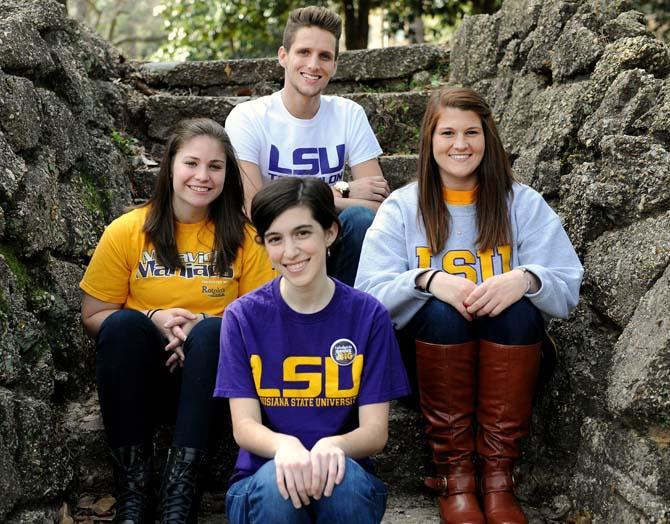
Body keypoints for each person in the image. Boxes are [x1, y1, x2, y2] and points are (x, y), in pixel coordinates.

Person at [355, 87, 584, 524]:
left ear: (488, 138)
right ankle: (454, 476)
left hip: (509, 359)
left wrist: (526, 278)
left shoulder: (521, 202)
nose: (460, 144)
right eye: (448, 133)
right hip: (427, 359)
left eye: (471, 133)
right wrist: (429, 280)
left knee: (518, 309)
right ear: (430, 140)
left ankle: (498, 479)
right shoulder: (403, 207)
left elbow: (568, 286)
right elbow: (367, 296)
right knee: (442, 312)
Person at [80, 118, 274, 524]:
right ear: (170, 167)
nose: (202, 176)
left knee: (216, 331)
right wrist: (153, 318)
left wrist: (200, 326)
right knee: (121, 326)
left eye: (216, 166)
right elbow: (94, 314)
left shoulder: (246, 238)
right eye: (191, 163)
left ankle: (180, 495)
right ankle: (132, 491)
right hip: (142, 380)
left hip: (213, 382)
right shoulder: (127, 232)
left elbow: (263, 321)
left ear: (227, 173)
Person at [214, 177, 410, 524]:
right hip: (261, 482)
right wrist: (284, 447)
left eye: (303, 233)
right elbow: (244, 426)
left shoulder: (369, 316)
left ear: (330, 233)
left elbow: (375, 433)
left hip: (343, 476)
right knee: (279, 489)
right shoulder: (242, 317)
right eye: (276, 239)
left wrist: (332, 447)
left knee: (344, 484)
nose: (290, 251)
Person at [225, 6, 390, 286]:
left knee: (360, 220)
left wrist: (334, 199)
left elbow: (377, 208)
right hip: (272, 243)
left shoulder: (349, 114)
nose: (314, 65)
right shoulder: (248, 118)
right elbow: (255, 208)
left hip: (330, 244)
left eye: (324, 56)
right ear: (283, 56)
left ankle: (347, 318)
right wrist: (339, 190)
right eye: (304, 52)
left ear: (335, 65)